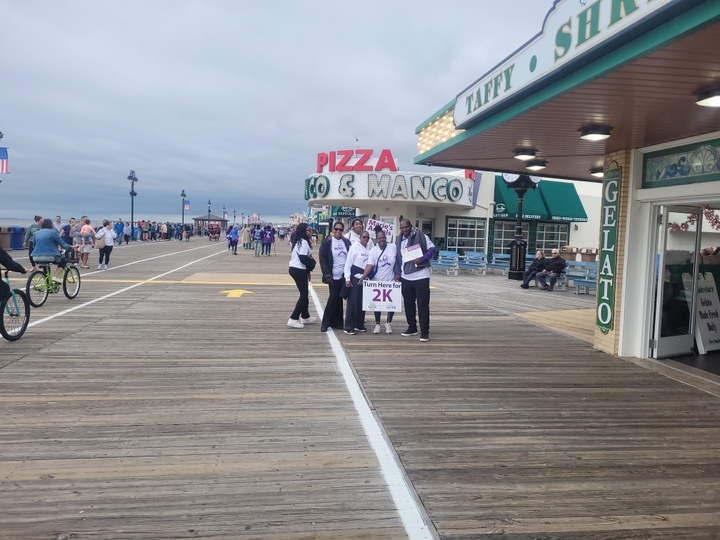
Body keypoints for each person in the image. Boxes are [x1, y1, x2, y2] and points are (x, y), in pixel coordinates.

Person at [394, 219, 436, 342]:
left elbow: (432, 249)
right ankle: (412, 327)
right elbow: (398, 258)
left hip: (421, 276)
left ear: (411, 226)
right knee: (408, 304)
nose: (404, 229)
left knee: (422, 305)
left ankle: (424, 331)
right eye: (402, 228)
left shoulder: (421, 235)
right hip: (405, 277)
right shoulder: (399, 239)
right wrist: (397, 273)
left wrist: (422, 258)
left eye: (406, 227)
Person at [360, 228, 398, 334]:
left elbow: (399, 261)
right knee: (377, 304)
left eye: (383, 238)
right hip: (377, 281)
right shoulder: (373, 251)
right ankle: (377, 324)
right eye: (379, 238)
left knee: (391, 303)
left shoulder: (393, 247)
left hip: (391, 280)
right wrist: (363, 277)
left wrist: (398, 274)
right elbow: (369, 265)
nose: (382, 240)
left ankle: (388, 323)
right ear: (376, 239)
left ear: (386, 238)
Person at [319, 221, 351, 332]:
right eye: (336, 229)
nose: (338, 231)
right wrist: (327, 274)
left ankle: (337, 323)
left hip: (343, 275)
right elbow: (322, 259)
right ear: (333, 229)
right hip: (332, 276)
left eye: (340, 230)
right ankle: (325, 323)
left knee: (339, 299)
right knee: (332, 298)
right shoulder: (327, 242)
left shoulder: (346, 242)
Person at [287, 223, 317, 329]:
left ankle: (305, 316)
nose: (311, 232)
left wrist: (308, 272)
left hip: (296, 269)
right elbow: (303, 258)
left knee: (304, 293)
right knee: (303, 295)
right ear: (304, 232)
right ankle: (293, 318)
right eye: (308, 230)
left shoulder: (299, 241)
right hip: (298, 269)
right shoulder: (303, 242)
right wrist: (312, 263)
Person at [343, 230, 371, 335]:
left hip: (365, 278)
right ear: (360, 237)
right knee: (353, 302)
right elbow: (348, 264)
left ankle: (359, 324)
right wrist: (347, 279)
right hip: (355, 277)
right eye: (364, 237)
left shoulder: (369, 248)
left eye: (368, 237)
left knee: (362, 302)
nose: (366, 239)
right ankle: (349, 326)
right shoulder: (354, 247)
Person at [31, 218, 73, 283]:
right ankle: (55, 277)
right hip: (50, 256)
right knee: (63, 261)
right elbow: (63, 244)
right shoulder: (53, 232)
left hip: (35, 257)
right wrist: (70, 247)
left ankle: (47, 284)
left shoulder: (36, 233)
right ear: (51, 225)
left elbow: (34, 245)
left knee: (46, 266)